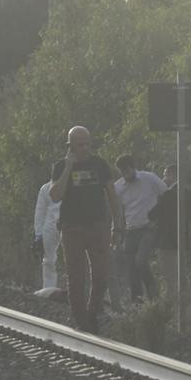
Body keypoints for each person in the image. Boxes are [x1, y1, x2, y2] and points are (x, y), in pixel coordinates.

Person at [50, 126, 125, 334]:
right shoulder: (60, 166)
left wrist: (117, 226)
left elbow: (112, 196)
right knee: (75, 279)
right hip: (72, 228)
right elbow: (55, 195)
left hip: (98, 227)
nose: (84, 148)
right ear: (70, 146)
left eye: (87, 144)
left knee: (101, 276)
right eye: (79, 145)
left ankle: (91, 314)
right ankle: (82, 324)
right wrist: (68, 167)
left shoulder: (100, 165)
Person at [114, 155, 168, 303]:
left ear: (133, 167)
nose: (126, 174)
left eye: (127, 170)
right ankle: (137, 301)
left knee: (141, 261)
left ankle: (154, 294)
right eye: (122, 171)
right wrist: (117, 230)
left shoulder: (149, 178)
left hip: (149, 228)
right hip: (131, 230)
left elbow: (167, 195)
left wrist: (159, 219)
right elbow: (117, 211)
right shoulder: (118, 187)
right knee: (131, 269)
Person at [148, 164, 191, 312]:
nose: (163, 178)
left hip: (166, 241)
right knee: (182, 275)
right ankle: (185, 308)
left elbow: (152, 214)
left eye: (165, 174)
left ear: (172, 175)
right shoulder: (188, 193)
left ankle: (172, 310)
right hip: (181, 240)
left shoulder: (167, 194)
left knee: (170, 277)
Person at [32, 180, 61, 293]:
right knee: (49, 259)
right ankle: (49, 289)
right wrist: (39, 234)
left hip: (69, 224)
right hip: (50, 225)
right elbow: (40, 211)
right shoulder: (45, 188)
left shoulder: (72, 184)